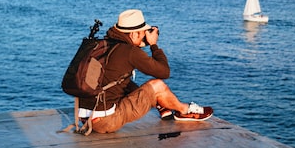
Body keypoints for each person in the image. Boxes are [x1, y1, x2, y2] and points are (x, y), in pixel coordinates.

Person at [78, 9, 213, 133]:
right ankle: (184, 111)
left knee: (123, 81)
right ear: (134, 33)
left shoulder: (103, 45)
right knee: (157, 85)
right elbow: (164, 72)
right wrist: (154, 45)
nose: (145, 36)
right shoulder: (131, 52)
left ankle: (162, 105)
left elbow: (123, 60)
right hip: (105, 122)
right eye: (143, 32)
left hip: (84, 118)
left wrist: (140, 44)